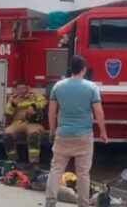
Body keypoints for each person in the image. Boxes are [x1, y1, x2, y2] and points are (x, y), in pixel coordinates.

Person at [45, 55, 109, 207]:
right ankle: (83, 204)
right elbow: (99, 113)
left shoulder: (58, 87)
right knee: (83, 173)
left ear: (70, 69)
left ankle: (50, 202)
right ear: (84, 69)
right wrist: (103, 132)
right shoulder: (91, 87)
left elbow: (51, 112)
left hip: (63, 135)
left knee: (56, 170)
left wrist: (52, 131)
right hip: (84, 136)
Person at [2, 80, 47, 165]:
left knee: (34, 135)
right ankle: (12, 160)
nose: (22, 90)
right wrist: (13, 104)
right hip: (17, 123)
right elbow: (7, 113)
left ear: (27, 89)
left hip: (32, 123)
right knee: (7, 135)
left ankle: (34, 162)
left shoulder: (34, 96)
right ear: (16, 90)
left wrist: (34, 105)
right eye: (19, 89)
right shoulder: (13, 98)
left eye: (24, 88)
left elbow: (43, 102)